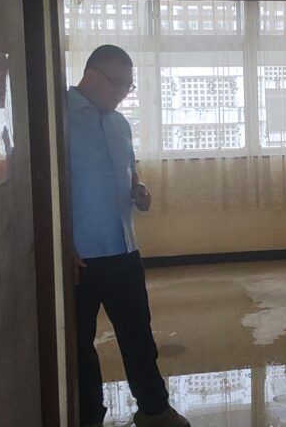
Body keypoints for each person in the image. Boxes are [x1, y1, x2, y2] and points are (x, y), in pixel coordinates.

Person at [67, 45, 190, 427]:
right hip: (78, 257)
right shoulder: (56, 118)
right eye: (117, 83)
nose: (123, 92)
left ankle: (154, 409)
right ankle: (89, 417)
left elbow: (129, 172)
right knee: (79, 345)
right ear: (91, 75)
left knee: (138, 336)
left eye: (128, 86)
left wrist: (140, 189)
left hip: (123, 250)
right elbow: (41, 187)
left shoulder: (120, 124)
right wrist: (60, 244)